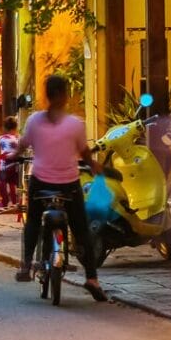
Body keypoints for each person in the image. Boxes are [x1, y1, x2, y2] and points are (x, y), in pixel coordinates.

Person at [15, 74, 105, 301]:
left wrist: (14, 155)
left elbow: (23, 145)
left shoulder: (34, 121)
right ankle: (92, 278)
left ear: (46, 96)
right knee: (81, 229)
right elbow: (84, 153)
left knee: (33, 221)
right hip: (69, 185)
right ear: (65, 95)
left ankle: (26, 265)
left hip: (41, 183)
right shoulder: (75, 124)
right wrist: (93, 165)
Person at [0, 116, 20, 211]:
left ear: (5, 128)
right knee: (13, 184)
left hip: (3, 165)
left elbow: (1, 149)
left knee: (2, 183)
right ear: (15, 128)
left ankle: (5, 202)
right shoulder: (17, 139)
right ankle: (14, 202)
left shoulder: (0, 138)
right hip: (13, 166)